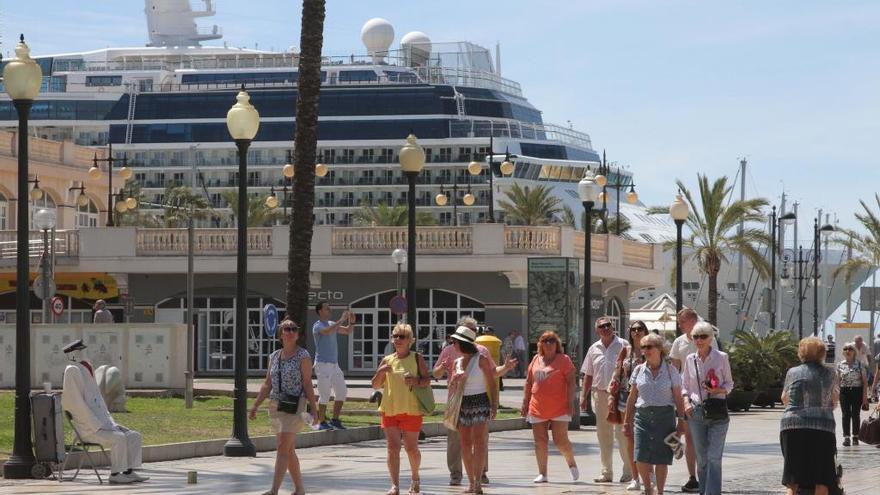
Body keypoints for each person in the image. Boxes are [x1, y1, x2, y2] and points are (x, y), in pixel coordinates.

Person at [433, 317, 516, 487]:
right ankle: (461, 477)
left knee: (479, 441)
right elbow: (437, 374)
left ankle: (479, 477)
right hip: (458, 403)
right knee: (460, 443)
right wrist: (449, 375)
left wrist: (505, 370)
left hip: (479, 402)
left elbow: (492, 376)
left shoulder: (482, 353)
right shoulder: (450, 353)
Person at [61, 339, 147, 485]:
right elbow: (75, 404)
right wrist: (95, 425)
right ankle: (115, 474)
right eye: (79, 350)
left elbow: (99, 402)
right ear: (72, 353)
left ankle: (128, 472)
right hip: (88, 428)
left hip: (103, 423)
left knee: (134, 436)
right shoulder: (72, 370)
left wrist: (112, 424)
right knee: (119, 438)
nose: (82, 352)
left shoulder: (86, 367)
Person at [249, 320, 319, 495]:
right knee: (288, 449)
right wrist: (256, 404)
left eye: (293, 329)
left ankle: (274, 490)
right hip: (277, 405)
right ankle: (300, 489)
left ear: (297, 334)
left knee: (282, 447)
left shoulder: (303, 355)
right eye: (287, 329)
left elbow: (308, 383)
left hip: (296, 405)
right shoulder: (274, 356)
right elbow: (267, 384)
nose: (290, 332)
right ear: (281, 334)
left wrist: (314, 409)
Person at [623, 333, 688, 495]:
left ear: (659, 349)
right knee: (640, 456)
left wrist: (681, 421)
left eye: (649, 347)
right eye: (643, 347)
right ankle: (647, 489)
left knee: (661, 458)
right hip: (642, 417)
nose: (645, 350)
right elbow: (632, 398)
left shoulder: (671, 371)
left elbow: (678, 398)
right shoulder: (638, 370)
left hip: (664, 417)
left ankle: (659, 491)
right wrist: (626, 421)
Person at [372, 323, 430, 495]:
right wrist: (381, 371)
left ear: (410, 340)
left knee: (411, 448)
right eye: (395, 336)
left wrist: (416, 381)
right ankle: (395, 485)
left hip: (411, 409)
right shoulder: (387, 360)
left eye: (402, 336)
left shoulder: (416, 358)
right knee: (392, 448)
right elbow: (375, 385)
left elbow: (427, 380)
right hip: (390, 409)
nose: (398, 339)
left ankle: (415, 477)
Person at [780, 336, 840, 495]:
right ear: (822, 354)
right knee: (822, 479)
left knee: (793, 480)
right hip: (822, 428)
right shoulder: (831, 373)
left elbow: (784, 398)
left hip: (792, 427)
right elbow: (834, 400)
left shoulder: (792, 372)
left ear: (801, 353)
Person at [681, 322, 733, 495]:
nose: (699, 340)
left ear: (711, 338)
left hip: (717, 412)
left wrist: (717, 390)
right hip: (696, 413)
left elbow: (730, 383)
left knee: (714, 457)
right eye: (696, 337)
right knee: (702, 458)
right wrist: (686, 402)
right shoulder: (690, 359)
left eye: (703, 336)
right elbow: (685, 386)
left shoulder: (721, 357)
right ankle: (704, 491)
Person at [579, 316, 632, 484]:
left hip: (620, 394)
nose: (606, 328)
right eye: (602, 326)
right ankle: (606, 472)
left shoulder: (624, 345)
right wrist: (583, 396)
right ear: (597, 330)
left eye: (608, 325)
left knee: (622, 434)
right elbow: (588, 374)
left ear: (612, 326)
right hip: (600, 394)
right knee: (603, 434)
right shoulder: (593, 348)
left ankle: (628, 471)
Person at [522, 331, 579, 483]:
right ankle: (543, 473)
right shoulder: (535, 359)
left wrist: (570, 402)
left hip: (559, 407)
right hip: (537, 406)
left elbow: (571, 382)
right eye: (545, 341)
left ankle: (571, 463)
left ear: (557, 344)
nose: (548, 344)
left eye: (552, 341)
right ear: (540, 344)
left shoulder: (564, 360)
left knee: (560, 441)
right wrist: (525, 402)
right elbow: (529, 382)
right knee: (540, 441)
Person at [448, 325, 498, 495]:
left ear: (463, 343)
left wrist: (494, 405)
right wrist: (454, 379)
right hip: (463, 403)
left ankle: (477, 482)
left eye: (454, 341)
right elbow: (452, 386)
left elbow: (492, 383)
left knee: (479, 442)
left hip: (480, 401)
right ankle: (471, 483)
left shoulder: (481, 359)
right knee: (465, 444)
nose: (452, 344)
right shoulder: (457, 363)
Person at [669, 308, 713, 493]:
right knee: (689, 435)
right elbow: (673, 369)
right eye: (679, 322)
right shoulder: (679, 342)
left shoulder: (708, 338)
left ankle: (705, 475)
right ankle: (692, 477)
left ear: (693, 320)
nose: (680, 325)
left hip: (705, 396)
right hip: (685, 395)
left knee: (703, 437)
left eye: (683, 322)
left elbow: (714, 363)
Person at [610, 320, 648, 492]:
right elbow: (617, 373)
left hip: (648, 400)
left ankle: (649, 473)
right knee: (629, 440)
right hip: (627, 400)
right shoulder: (626, 350)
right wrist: (612, 395)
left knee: (647, 439)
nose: (637, 332)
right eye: (634, 329)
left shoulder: (652, 349)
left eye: (640, 329)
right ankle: (635, 477)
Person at [312, 301, 356, 430]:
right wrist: (342, 319)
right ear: (320, 311)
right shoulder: (317, 326)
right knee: (324, 394)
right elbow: (327, 332)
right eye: (327, 308)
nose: (330, 310)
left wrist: (351, 322)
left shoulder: (332, 324)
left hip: (334, 365)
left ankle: (335, 420)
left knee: (342, 391)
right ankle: (321, 421)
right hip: (322, 364)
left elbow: (348, 331)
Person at [837, 342, 868, 446]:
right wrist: (835, 395)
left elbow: (864, 381)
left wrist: (865, 398)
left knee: (855, 414)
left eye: (850, 349)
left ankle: (855, 436)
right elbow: (837, 381)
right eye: (845, 349)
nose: (847, 351)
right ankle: (846, 437)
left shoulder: (859, 364)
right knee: (845, 414)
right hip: (844, 391)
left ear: (854, 352)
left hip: (856, 391)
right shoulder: (840, 364)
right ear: (843, 352)